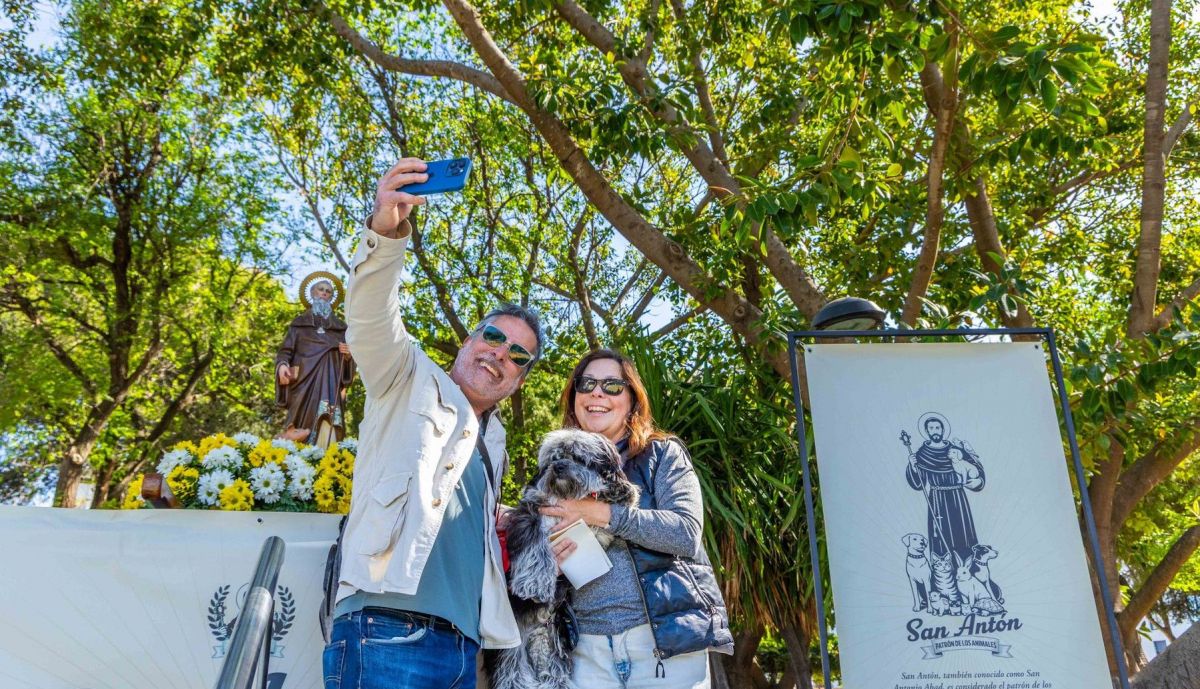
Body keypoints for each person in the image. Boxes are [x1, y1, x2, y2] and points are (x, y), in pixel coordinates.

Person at [324, 158, 545, 689]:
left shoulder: (495, 441)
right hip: (385, 628)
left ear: (518, 380)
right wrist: (386, 230)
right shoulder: (406, 375)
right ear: (469, 340)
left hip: (464, 650)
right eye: (492, 337)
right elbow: (373, 316)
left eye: (518, 355)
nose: (500, 354)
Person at [541, 349, 733, 689]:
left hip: (662, 647)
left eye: (613, 385)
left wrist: (599, 513)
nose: (597, 393)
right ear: (574, 399)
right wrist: (546, 562)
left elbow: (686, 533)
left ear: (632, 400)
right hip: (583, 651)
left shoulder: (661, 454)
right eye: (587, 384)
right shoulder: (554, 470)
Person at [274, 274, 356, 445]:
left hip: (331, 381)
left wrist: (348, 356)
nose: (324, 293)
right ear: (312, 293)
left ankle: (325, 459)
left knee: (329, 421)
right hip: (304, 382)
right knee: (299, 423)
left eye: (328, 291)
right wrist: (282, 365)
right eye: (321, 289)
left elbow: (348, 367)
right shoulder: (299, 324)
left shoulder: (341, 328)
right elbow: (285, 351)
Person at [903, 413, 986, 564]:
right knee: (941, 535)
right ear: (927, 431)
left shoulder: (954, 449)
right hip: (937, 499)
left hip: (957, 497)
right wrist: (913, 467)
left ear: (942, 430)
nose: (935, 431)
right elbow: (918, 483)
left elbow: (974, 466)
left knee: (963, 533)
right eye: (931, 428)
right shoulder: (922, 454)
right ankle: (945, 575)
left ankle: (969, 570)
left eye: (937, 427)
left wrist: (976, 480)